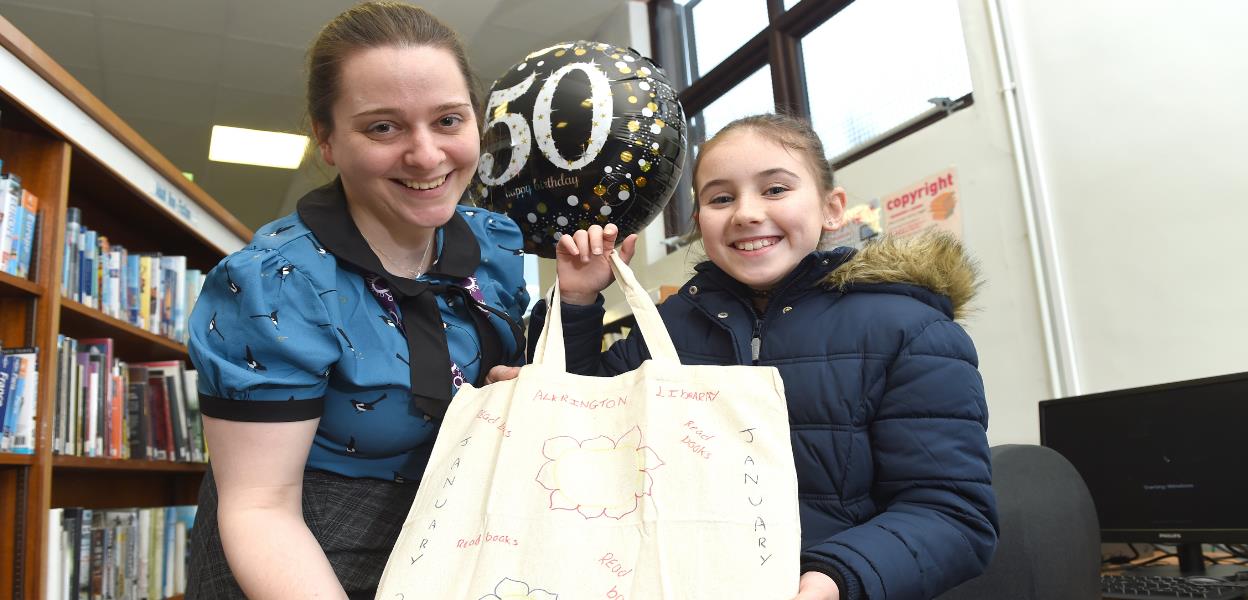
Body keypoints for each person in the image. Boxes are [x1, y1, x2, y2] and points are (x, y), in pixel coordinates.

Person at [523, 113, 999, 600]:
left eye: (775, 190)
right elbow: (576, 428)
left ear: (832, 209)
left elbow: (950, 514)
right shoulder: (662, 328)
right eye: (721, 197)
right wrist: (577, 302)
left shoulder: (909, 329)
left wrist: (835, 578)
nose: (746, 213)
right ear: (699, 222)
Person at [184, 3, 529, 598]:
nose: (426, 156)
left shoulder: (494, 247)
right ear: (328, 140)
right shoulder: (274, 285)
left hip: (449, 539)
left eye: (448, 120)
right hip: (303, 554)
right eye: (383, 127)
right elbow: (260, 508)